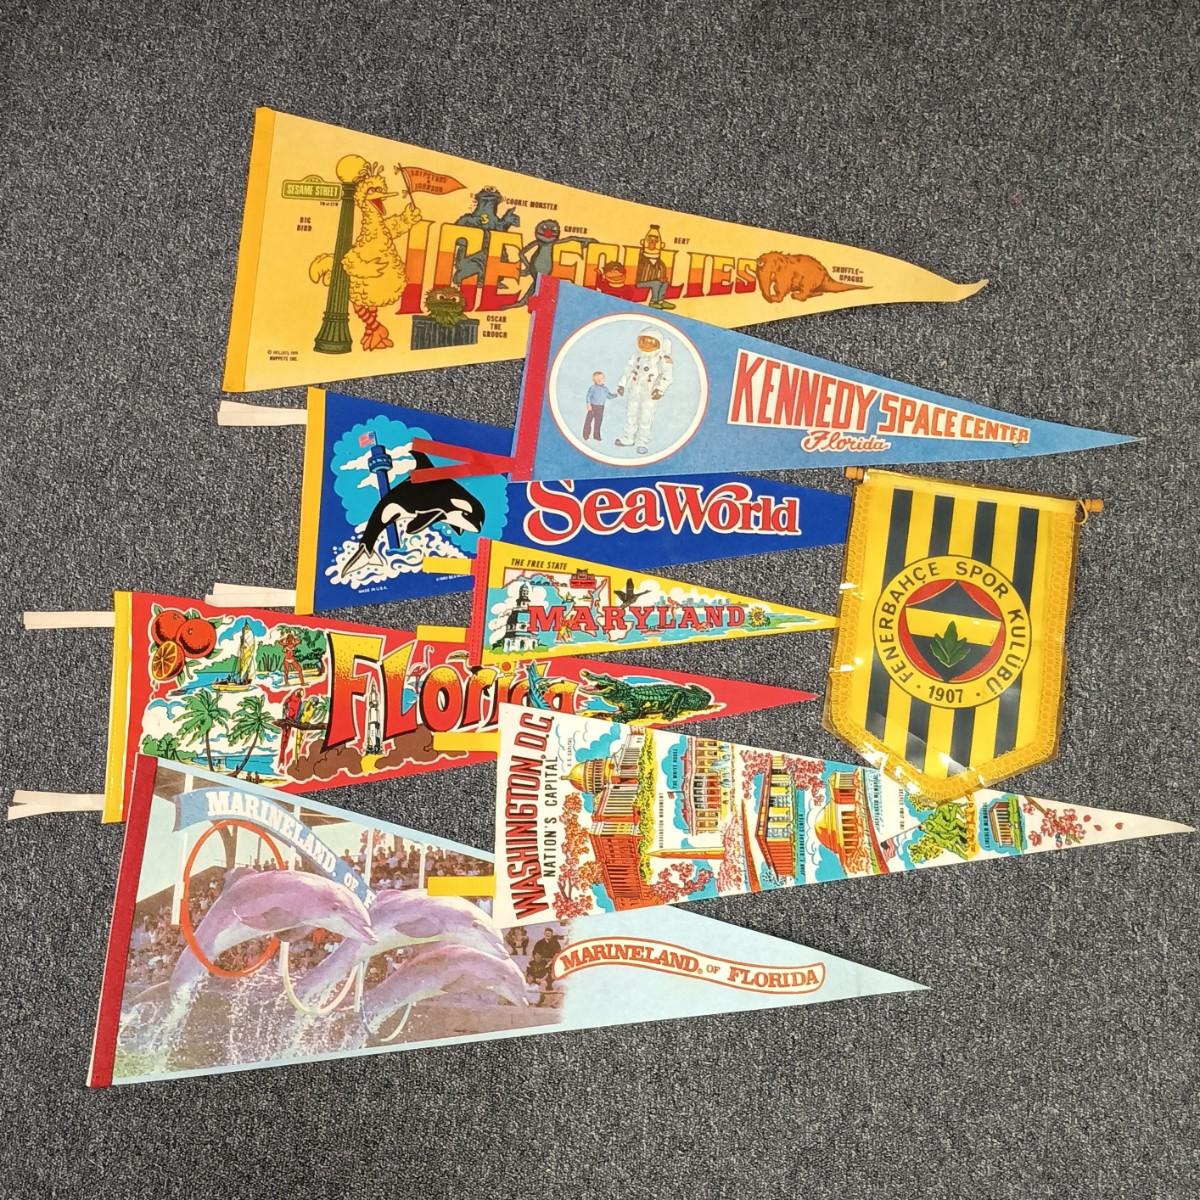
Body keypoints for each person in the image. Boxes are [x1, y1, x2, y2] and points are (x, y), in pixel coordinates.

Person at [615, 327, 674, 454]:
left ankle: (642, 441)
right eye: (644, 341)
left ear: (658, 344)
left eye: (650, 342)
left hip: (649, 392)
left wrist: (660, 389)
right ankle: (628, 438)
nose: (647, 345)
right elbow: (628, 370)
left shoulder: (662, 359)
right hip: (635, 389)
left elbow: (667, 376)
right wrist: (622, 385)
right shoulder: (637, 356)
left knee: (645, 417)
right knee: (631, 414)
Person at [635, 224, 676, 310]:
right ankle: (653, 302)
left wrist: (663, 279)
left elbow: (663, 273)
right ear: (643, 242)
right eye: (650, 240)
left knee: (665, 283)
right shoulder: (641, 259)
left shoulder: (660, 262)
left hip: (653, 281)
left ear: (661, 245)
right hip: (640, 283)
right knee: (656, 283)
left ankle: (660, 301)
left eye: (655, 241)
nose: (652, 243)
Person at [581, 371, 616, 441]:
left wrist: (616, 395)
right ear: (597, 380)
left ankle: (596, 435)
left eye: (603, 378)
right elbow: (588, 397)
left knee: (598, 422)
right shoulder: (593, 388)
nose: (604, 379)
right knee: (588, 421)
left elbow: (609, 396)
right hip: (593, 407)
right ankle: (586, 435)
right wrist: (588, 404)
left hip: (601, 408)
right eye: (602, 378)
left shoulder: (605, 389)